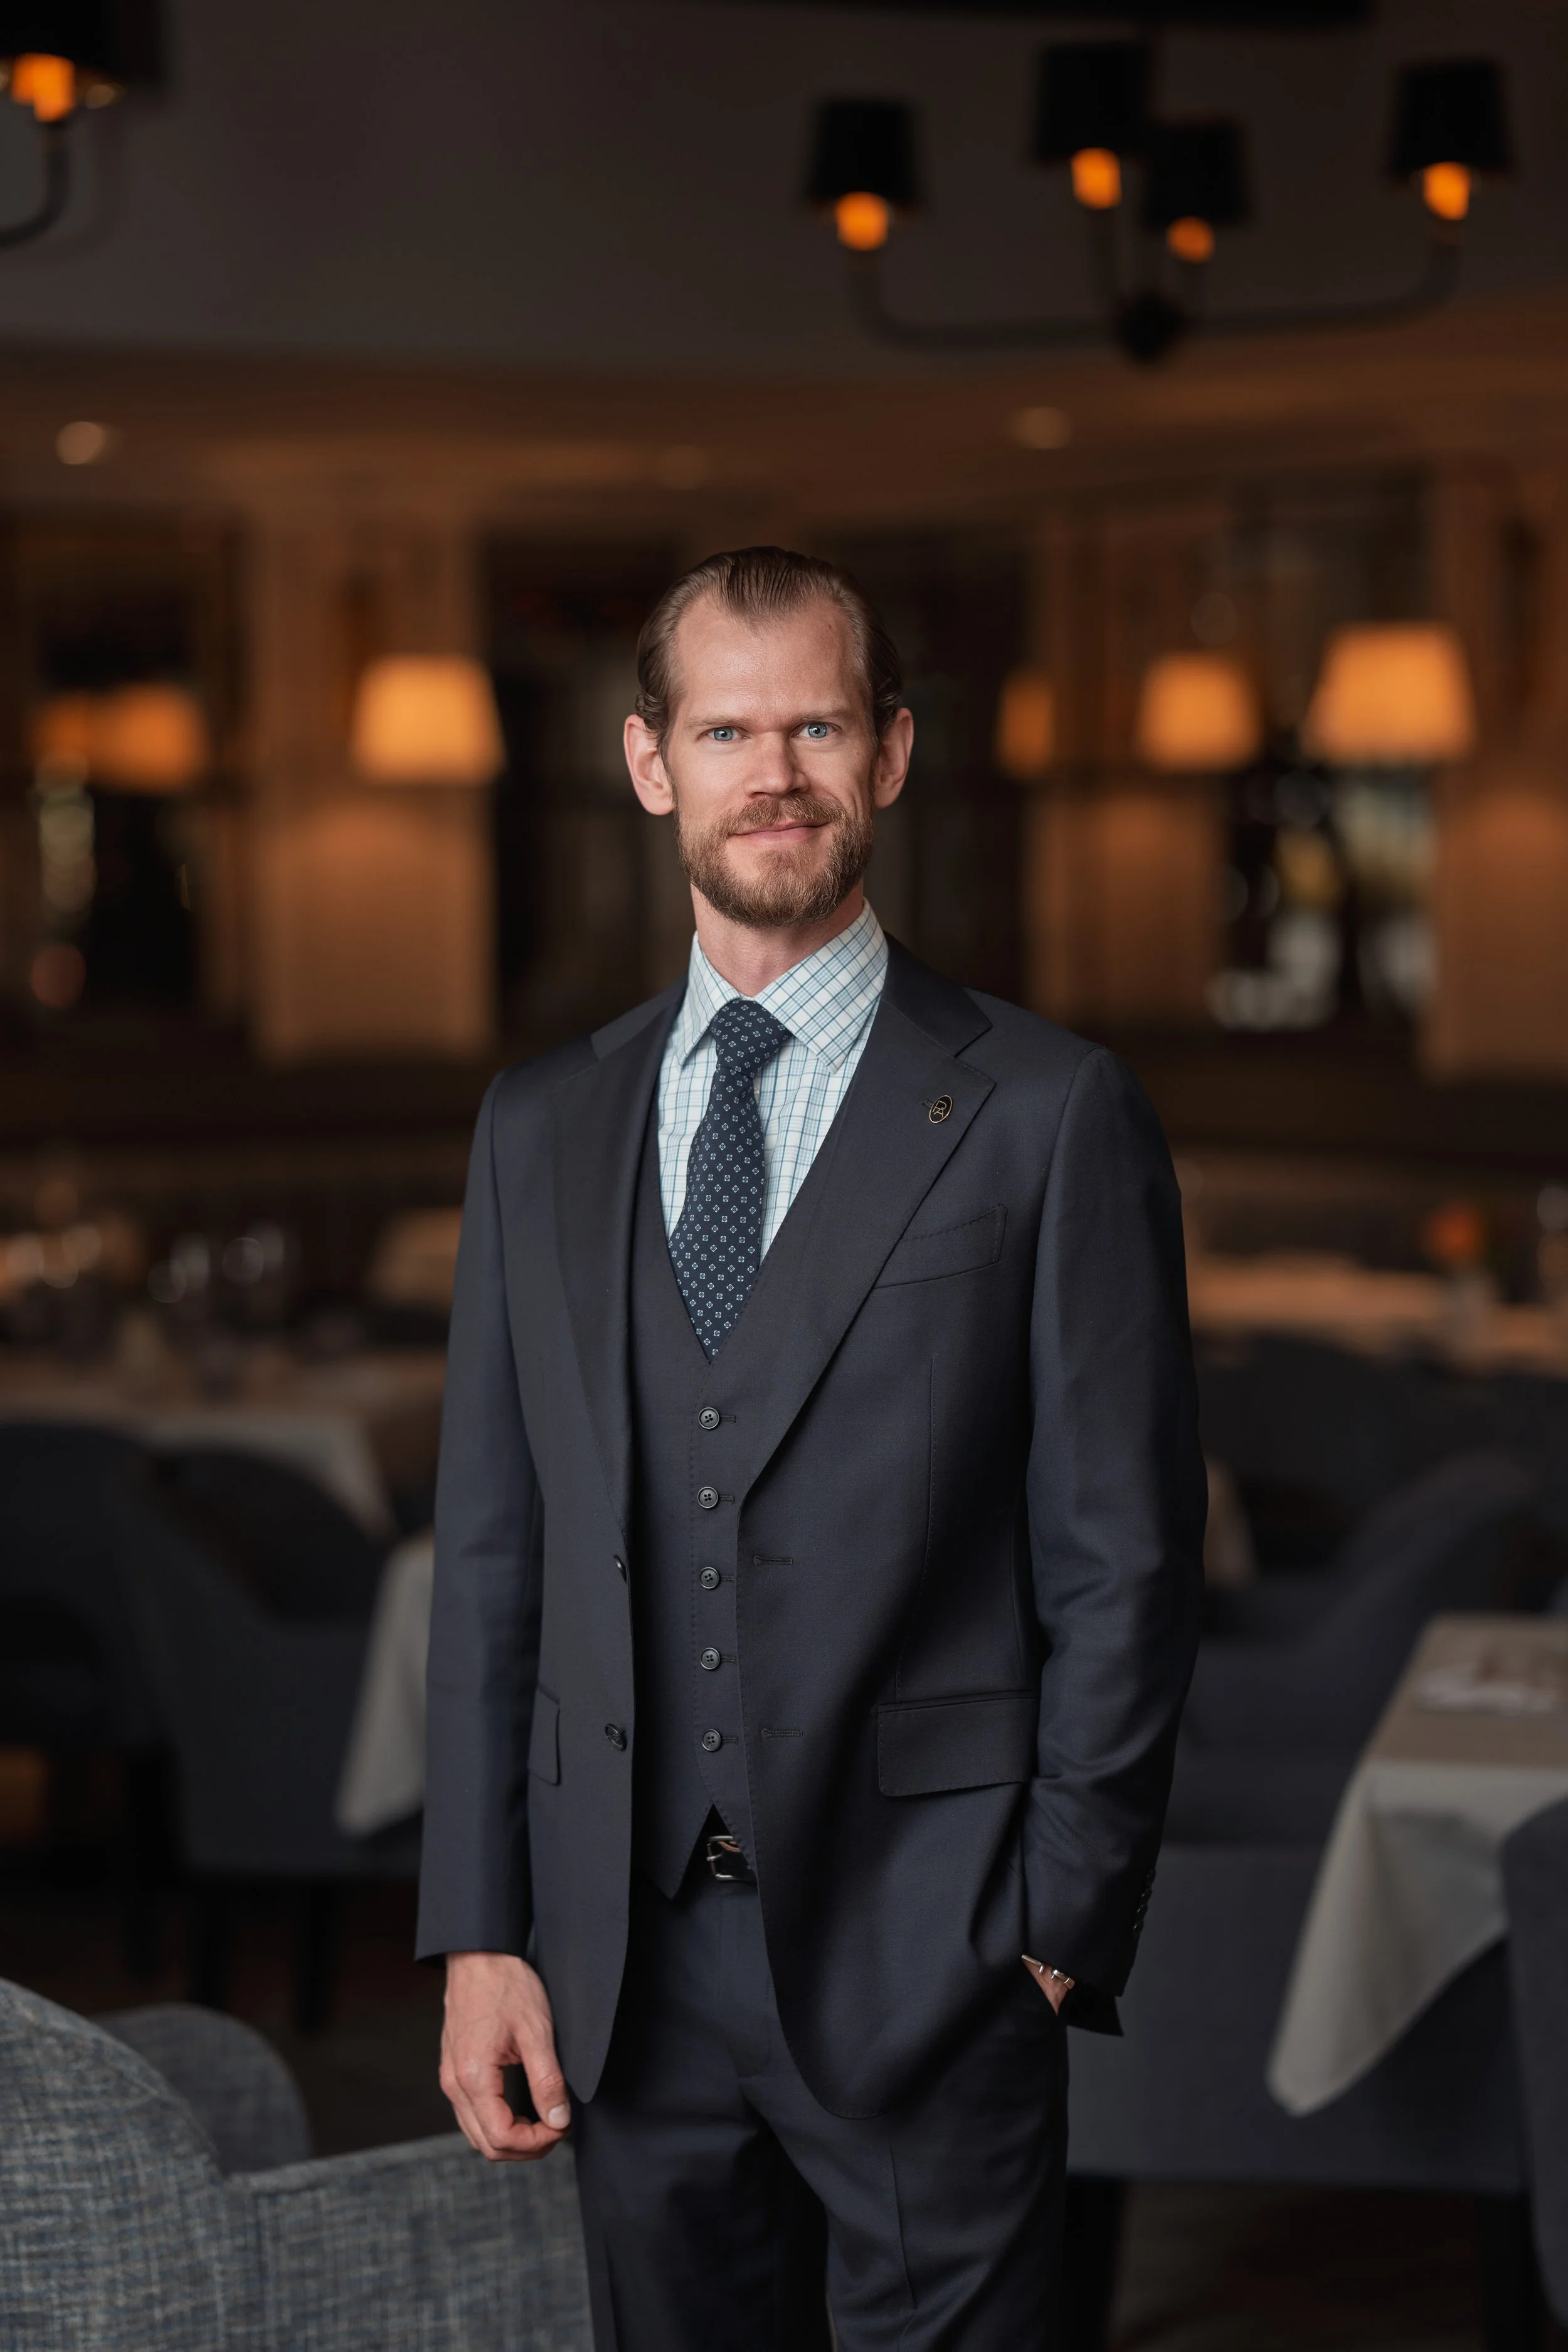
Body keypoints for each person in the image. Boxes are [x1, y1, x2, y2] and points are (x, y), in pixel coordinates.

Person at [416, 546, 1206, 2349]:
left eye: (816, 726)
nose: (771, 770)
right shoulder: (540, 1124)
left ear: (891, 754)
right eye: (725, 728)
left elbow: (1126, 1555)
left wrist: (1052, 1926)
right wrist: (481, 1933)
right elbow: (493, 1555)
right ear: (649, 763)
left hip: (935, 1951)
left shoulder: (1046, 1110)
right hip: (618, 1962)